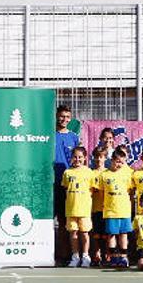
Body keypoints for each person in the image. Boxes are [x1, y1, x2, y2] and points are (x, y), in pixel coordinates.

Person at [62, 147, 97, 267]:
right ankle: (75, 256)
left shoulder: (89, 172)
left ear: (85, 158)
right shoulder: (67, 172)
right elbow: (66, 188)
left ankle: (86, 256)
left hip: (84, 209)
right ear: (72, 158)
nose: (77, 159)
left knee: (84, 233)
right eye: (75, 157)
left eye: (80, 157)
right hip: (71, 209)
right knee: (73, 233)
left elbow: (92, 190)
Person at [54, 105, 80, 264]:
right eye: (62, 116)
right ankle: (50, 253)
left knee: (65, 222)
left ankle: (65, 254)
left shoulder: (74, 137)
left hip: (67, 186)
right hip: (49, 183)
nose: (64, 119)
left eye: (67, 117)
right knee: (48, 220)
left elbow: (79, 160)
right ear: (56, 116)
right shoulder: (48, 135)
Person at [101, 148, 134, 268]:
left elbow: (130, 191)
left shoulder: (128, 174)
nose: (119, 164)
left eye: (122, 162)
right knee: (111, 235)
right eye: (117, 161)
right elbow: (101, 191)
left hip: (124, 210)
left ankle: (124, 257)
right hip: (110, 211)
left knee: (123, 234)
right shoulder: (104, 175)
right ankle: (114, 258)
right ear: (112, 160)